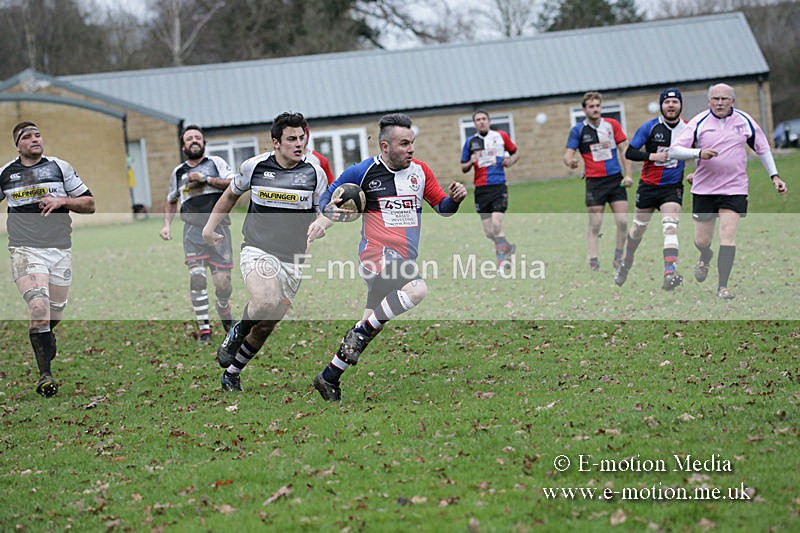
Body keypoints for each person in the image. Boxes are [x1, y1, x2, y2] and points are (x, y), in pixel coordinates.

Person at [307, 113, 467, 402]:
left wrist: (454, 199)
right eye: (404, 143)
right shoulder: (362, 172)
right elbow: (327, 198)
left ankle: (329, 377)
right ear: (384, 146)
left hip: (403, 256)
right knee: (417, 290)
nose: (411, 149)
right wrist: (325, 217)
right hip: (376, 254)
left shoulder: (420, 172)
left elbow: (442, 207)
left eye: (412, 142)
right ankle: (358, 333)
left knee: (370, 324)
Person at [202, 112, 328, 392]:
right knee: (264, 300)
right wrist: (209, 227)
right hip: (257, 249)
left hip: (294, 259)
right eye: (292, 139)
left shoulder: (314, 173)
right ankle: (236, 331)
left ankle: (232, 374)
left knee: (265, 325)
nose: (299, 144)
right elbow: (230, 195)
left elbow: (324, 211)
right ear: (275, 142)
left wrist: (322, 223)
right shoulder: (255, 167)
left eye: (302, 138)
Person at [0, 122, 95, 397]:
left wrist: (62, 202)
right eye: (26, 137)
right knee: (39, 307)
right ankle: (45, 376)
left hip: (60, 249)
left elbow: (90, 204)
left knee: (55, 311)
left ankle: (44, 335)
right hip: (25, 249)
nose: (34, 140)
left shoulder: (60, 167)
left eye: (37, 135)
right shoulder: (6, 174)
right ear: (17, 145)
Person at [670, 83, 787, 299]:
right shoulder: (699, 122)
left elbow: (762, 148)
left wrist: (775, 176)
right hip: (704, 189)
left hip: (735, 187)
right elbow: (674, 150)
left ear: (732, 101)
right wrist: (698, 152)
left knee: (728, 234)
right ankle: (705, 256)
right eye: (715, 99)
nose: (720, 103)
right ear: (709, 101)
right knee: (702, 241)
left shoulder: (744, 121)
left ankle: (722, 287)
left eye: (724, 99)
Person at [615, 88, 713, 290]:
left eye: (675, 102)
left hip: (672, 188)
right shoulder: (650, 127)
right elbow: (630, 152)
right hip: (648, 187)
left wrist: (697, 174)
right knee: (637, 230)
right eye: (667, 102)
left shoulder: (689, 129)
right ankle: (626, 264)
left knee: (670, 227)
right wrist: (652, 157)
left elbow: (699, 154)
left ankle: (670, 273)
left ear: (680, 105)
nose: (671, 106)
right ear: (661, 106)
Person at [160, 125, 236, 344]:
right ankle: (204, 328)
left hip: (219, 228)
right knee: (197, 277)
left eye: (198, 138)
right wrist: (166, 225)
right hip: (192, 231)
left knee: (223, 283)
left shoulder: (216, 163)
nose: (194, 141)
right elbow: (171, 198)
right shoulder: (178, 172)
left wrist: (207, 179)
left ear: (204, 143)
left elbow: (234, 184)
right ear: (183, 145)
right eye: (189, 138)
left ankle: (223, 306)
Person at [563, 91, 633, 271]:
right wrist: (570, 161)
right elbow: (568, 154)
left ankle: (618, 256)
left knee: (623, 221)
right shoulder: (578, 130)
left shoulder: (612, 125)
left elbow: (624, 149)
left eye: (597, 106)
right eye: (591, 107)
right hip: (594, 182)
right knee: (595, 223)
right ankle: (594, 260)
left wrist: (629, 174)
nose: (595, 109)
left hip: (615, 179)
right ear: (584, 109)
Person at [460, 110, 519, 268]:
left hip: (498, 186)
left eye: (484, 119)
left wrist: (510, 161)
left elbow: (515, 153)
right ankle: (506, 247)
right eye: (478, 120)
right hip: (480, 189)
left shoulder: (501, 136)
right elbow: (463, 167)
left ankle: (503, 262)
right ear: (474, 124)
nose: (481, 122)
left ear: (489, 121)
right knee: (489, 231)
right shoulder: (470, 142)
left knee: (497, 224)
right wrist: (470, 162)